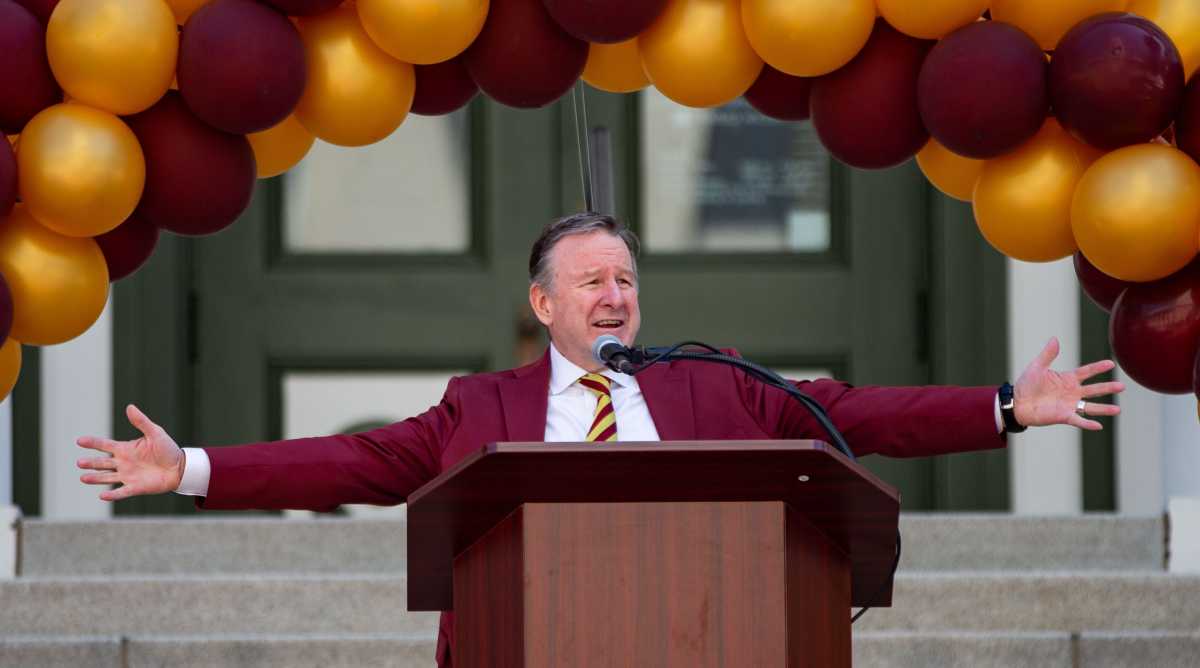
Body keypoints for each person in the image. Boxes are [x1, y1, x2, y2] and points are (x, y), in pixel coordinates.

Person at [76, 212, 1123, 666]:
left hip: (715, 642)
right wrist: (193, 468)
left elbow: (850, 412)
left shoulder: (716, 387)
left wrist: (1001, 404)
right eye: (592, 280)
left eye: (626, 279)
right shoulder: (481, 408)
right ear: (544, 302)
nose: (615, 294)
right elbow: (355, 462)